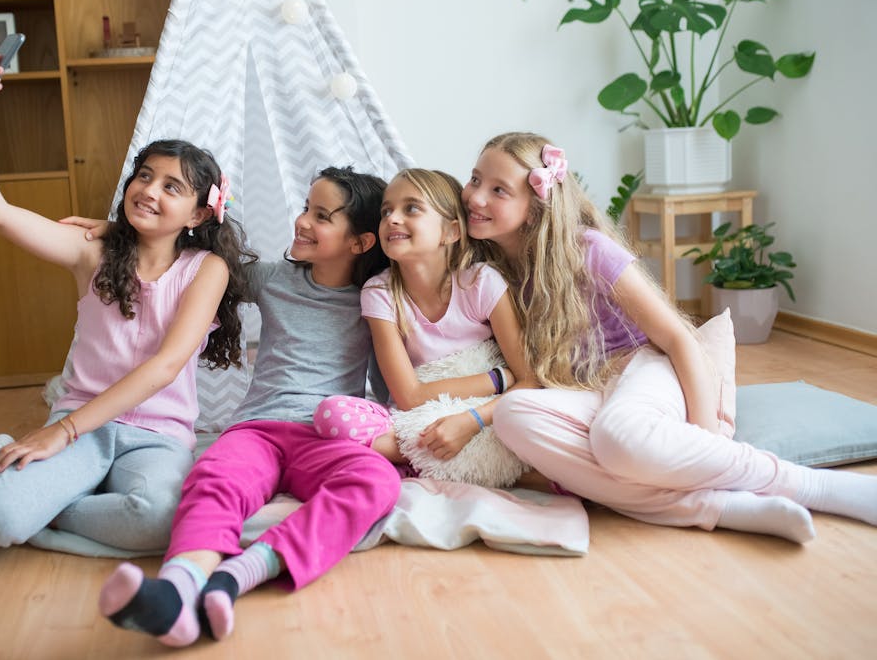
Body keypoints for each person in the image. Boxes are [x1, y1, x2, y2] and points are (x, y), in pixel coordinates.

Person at [463, 131, 877, 543]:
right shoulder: (491, 270)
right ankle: (719, 506)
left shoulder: (587, 250)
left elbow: (678, 338)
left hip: (648, 366)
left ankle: (816, 487)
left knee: (616, 438)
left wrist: (705, 437)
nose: (475, 197)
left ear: (535, 208)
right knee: (514, 413)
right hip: (589, 388)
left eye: (499, 190)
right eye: (476, 179)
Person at [0, 57, 256, 554]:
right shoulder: (93, 251)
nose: (148, 190)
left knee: (161, 521)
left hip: (158, 438)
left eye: (171, 187)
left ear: (198, 213)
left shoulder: (205, 269)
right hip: (83, 423)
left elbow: (166, 366)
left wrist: (59, 433)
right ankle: (10, 482)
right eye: (144, 177)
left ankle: (51, 506)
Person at [96, 166, 402, 647]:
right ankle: (178, 590)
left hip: (327, 436)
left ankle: (239, 574)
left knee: (377, 481)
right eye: (306, 207)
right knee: (213, 477)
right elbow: (189, 260)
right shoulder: (273, 279)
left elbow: (389, 390)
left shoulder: (378, 300)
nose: (301, 221)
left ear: (361, 242)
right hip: (256, 428)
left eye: (321, 216)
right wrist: (117, 234)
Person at [311, 168, 534, 464]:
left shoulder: (480, 282)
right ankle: (450, 457)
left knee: (537, 418)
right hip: (415, 418)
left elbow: (529, 381)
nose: (392, 218)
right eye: (386, 210)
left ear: (451, 231)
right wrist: (496, 380)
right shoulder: (380, 292)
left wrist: (471, 421)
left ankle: (439, 456)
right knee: (333, 416)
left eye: (411, 208)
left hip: (483, 415)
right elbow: (408, 396)